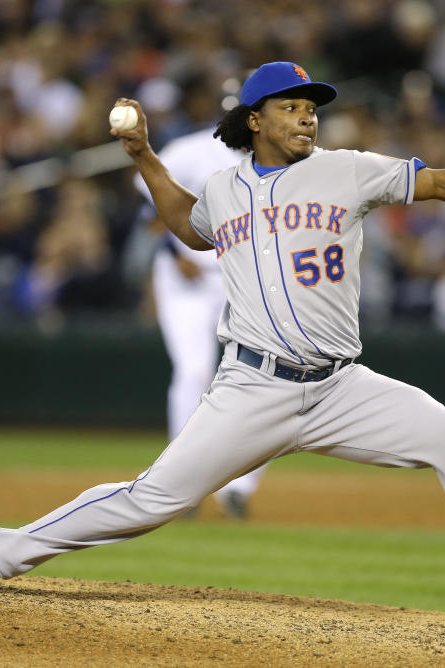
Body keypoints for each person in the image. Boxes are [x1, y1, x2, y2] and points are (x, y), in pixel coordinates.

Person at [0, 62, 445, 643]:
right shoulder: (225, 189)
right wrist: (144, 156)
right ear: (255, 120)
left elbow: (440, 181)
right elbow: (189, 227)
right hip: (252, 388)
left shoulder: (349, 171)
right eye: (290, 108)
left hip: (340, 389)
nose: (306, 118)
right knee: (151, 500)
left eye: (311, 108)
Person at [135, 125, 267, 519]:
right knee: (193, 372)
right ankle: (181, 483)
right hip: (186, 276)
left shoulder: (287, 156)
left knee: (262, 378)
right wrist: (171, 253)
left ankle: (239, 489)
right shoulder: (190, 149)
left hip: (246, 278)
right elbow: (149, 207)